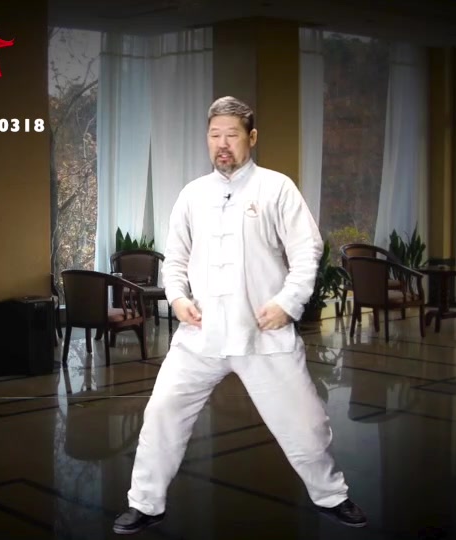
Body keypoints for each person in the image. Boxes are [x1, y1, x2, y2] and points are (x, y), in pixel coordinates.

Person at [113, 96, 366, 535]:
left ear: (252, 137)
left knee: (306, 424)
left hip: (263, 333)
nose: (222, 144)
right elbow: (175, 259)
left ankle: (332, 495)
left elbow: (307, 250)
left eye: (232, 134)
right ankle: (146, 504)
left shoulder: (276, 188)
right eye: (215, 135)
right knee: (162, 414)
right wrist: (177, 298)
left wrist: (288, 303)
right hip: (200, 334)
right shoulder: (192, 194)